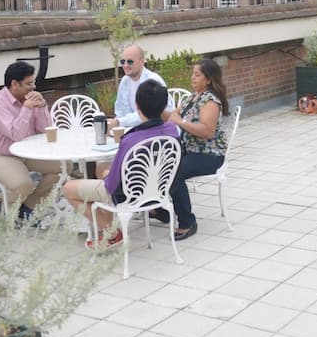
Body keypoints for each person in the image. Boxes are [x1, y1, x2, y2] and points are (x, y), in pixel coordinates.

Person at [63, 79, 178, 249]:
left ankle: (111, 232)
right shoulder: (172, 131)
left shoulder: (132, 139)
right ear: (164, 106)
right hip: (159, 190)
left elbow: (112, 184)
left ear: (137, 106)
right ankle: (108, 224)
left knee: (68, 188)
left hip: (128, 195)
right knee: (102, 167)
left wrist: (105, 177)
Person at [0, 61, 61, 222]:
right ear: (15, 84)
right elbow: (16, 134)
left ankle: (28, 206)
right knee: (23, 183)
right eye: (28, 84)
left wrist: (42, 106)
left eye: (33, 82)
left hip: (25, 152)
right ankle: (6, 209)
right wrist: (27, 109)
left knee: (63, 166)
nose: (33, 87)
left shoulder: (27, 98)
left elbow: (44, 130)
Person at [159, 57, 230, 240]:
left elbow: (207, 131)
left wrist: (181, 122)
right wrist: (154, 107)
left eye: (197, 75)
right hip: (190, 151)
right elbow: (172, 117)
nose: (192, 78)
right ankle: (159, 210)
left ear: (209, 79)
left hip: (209, 154)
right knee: (158, 162)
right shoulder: (192, 97)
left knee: (173, 171)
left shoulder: (211, 101)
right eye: (193, 74)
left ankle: (187, 222)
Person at [109, 44, 174, 129]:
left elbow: (148, 115)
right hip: (131, 129)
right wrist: (114, 124)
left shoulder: (152, 82)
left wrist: (119, 122)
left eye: (130, 62)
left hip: (156, 129)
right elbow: (120, 110)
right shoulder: (125, 81)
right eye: (122, 61)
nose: (125, 65)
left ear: (142, 61)